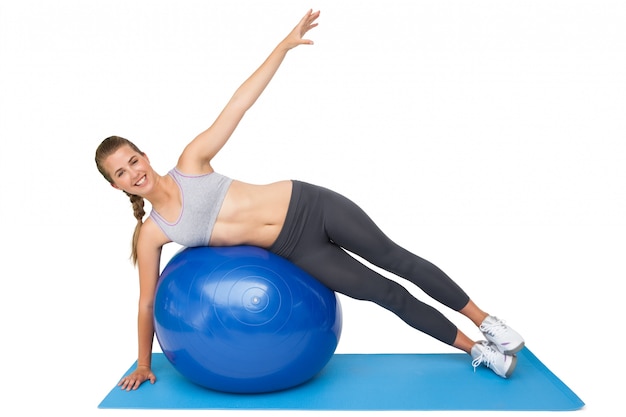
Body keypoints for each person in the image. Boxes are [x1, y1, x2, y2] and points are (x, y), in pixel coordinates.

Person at [96, 10, 525, 391]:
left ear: (145, 155)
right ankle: (478, 351)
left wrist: (282, 48)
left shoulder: (190, 162)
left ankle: (487, 322)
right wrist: (143, 363)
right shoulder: (152, 233)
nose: (134, 172)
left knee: (398, 259)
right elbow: (148, 303)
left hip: (311, 206)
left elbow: (237, 106)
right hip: (297, 250)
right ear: (117, 187)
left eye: (133, 160)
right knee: (384, 294)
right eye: (122, 173)